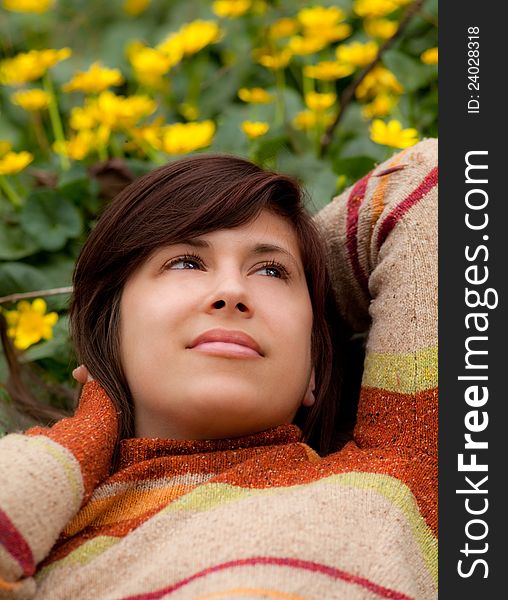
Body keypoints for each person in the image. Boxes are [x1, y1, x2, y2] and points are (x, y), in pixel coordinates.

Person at [0, 139, 438, 599]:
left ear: (313, 368)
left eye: (271, 272)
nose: (232, 291)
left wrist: (313, 273)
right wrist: (77, 443)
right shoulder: (44, 549)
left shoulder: (407, 473)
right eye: (186, 262)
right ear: (107, 336)